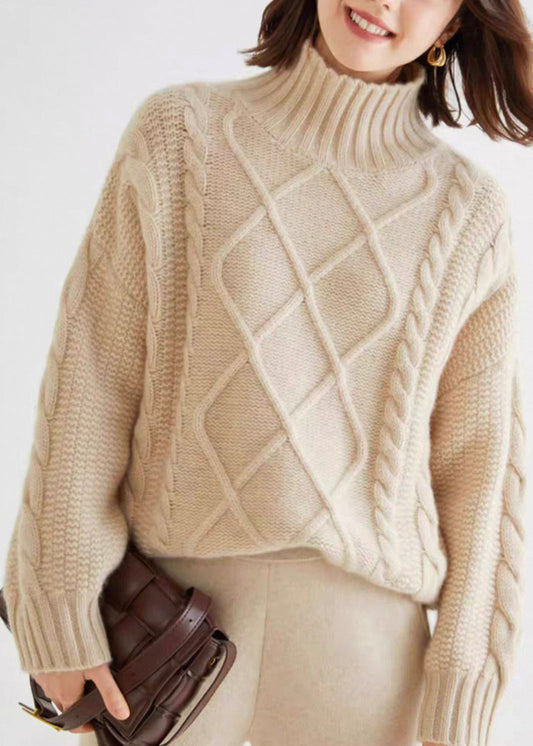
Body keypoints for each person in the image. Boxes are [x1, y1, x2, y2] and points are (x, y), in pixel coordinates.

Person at [3, 0, 531, 744]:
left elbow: (481, 471)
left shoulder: (467, 212)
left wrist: (464, 688)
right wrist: (57, 606)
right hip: (168, 635)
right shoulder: (179, 136)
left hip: (366, 659)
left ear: (452, 25)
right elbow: (92, 380)